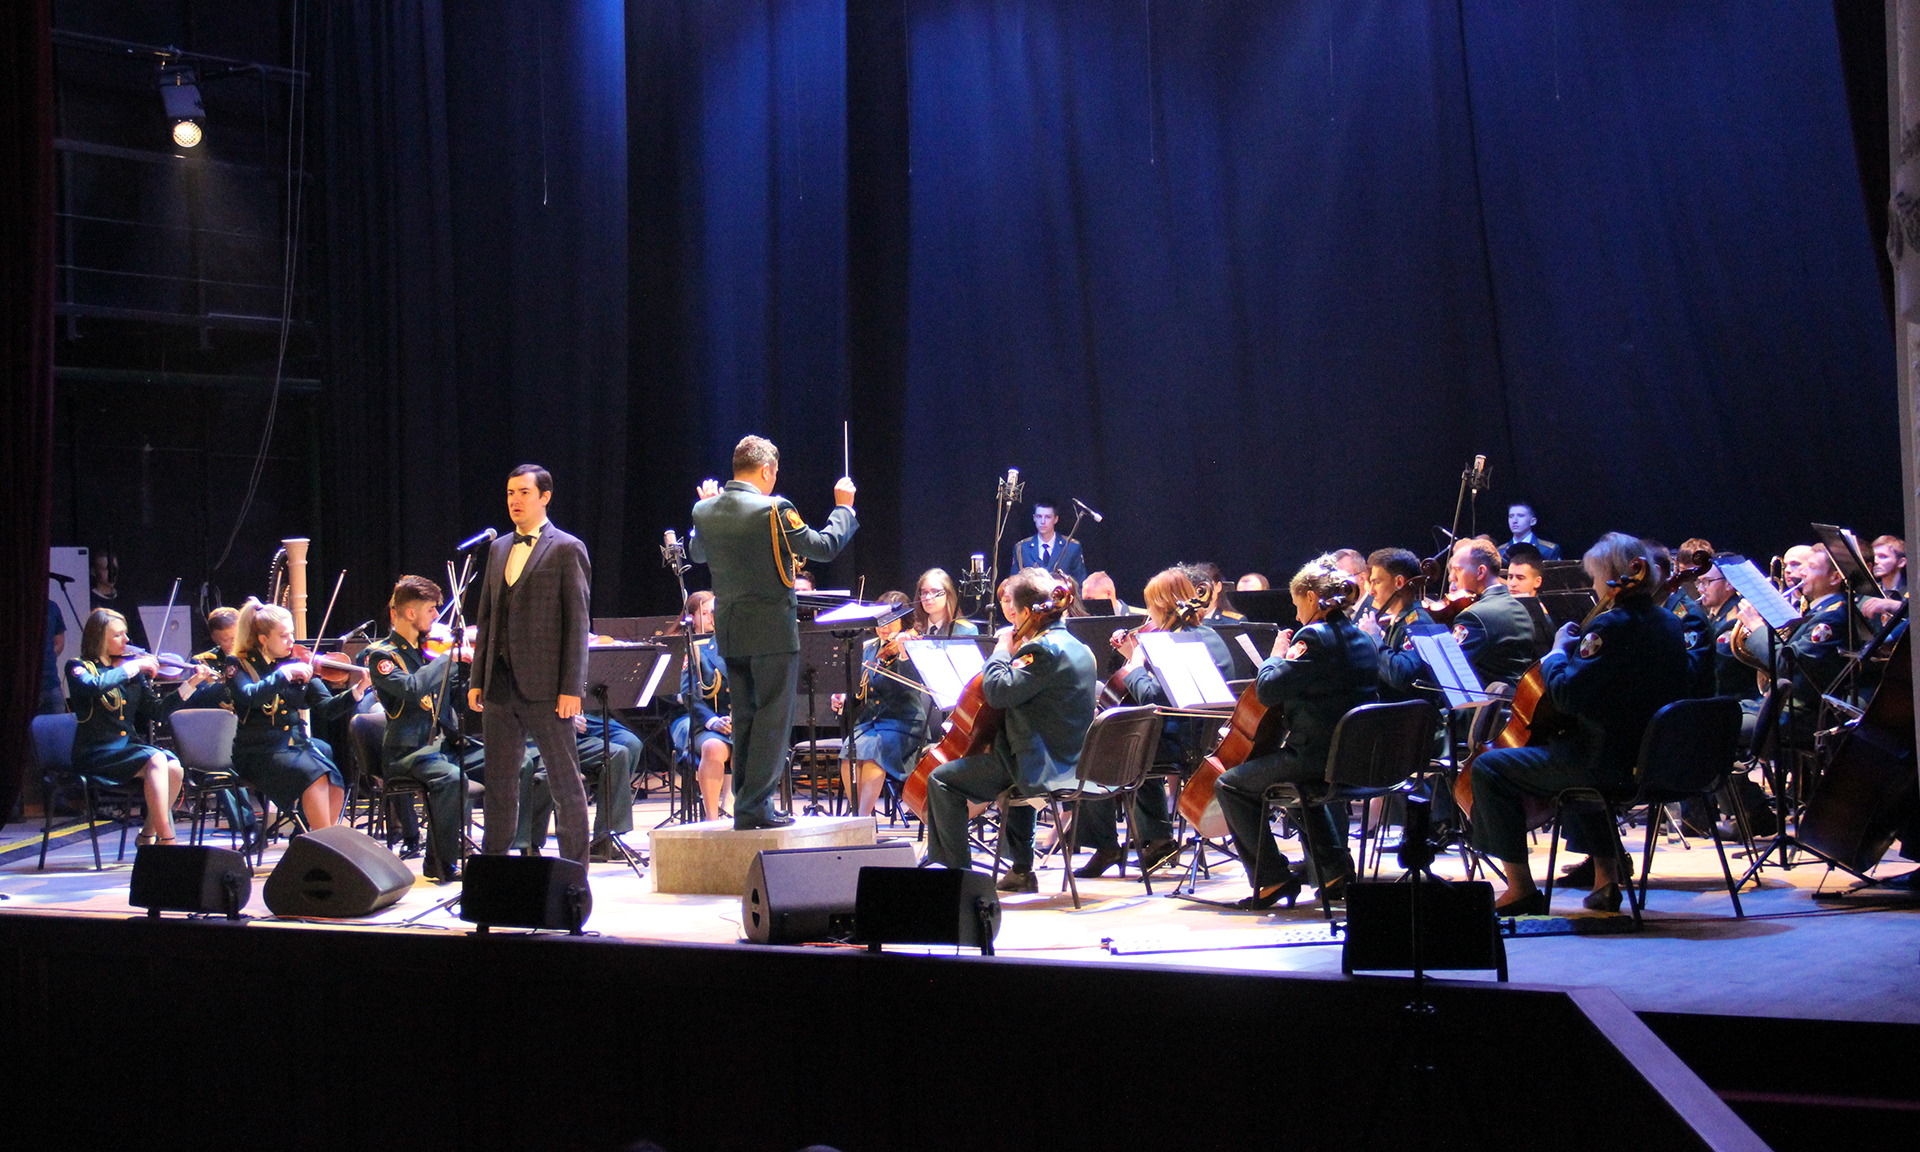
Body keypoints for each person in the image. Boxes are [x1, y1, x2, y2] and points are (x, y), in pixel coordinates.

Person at [1468, 534, 1690, 915]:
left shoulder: (1609, 627)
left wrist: (1557, 653)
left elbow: (1567, 695)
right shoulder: (1669, 623)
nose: (1593, 585)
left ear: (1612, 576)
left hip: (1608, 766)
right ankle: (1605, 880)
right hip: (1656, 761)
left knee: (1489, 767)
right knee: (1576, 747)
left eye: (1595, 576)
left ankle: (1520, 888)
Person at [690, 435, 857, 830]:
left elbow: (697, 554)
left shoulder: (704, 509)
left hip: (731, 631)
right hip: (772, 632)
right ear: (766, 470)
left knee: (745, 717)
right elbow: (824, 546)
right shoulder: (775, 508)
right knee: (772, 719)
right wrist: (844, 509)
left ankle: (748, 805)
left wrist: (707, 510)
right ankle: (755, 806)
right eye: (775, 472)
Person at [1215, 557, 1379, 909]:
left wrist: (1275, 656)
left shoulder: (1313, 637)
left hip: (1317, 758)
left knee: (1230, 784)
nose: (1296, 612)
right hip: (1357, 760)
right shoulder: (1364, 638)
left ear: (1310, 597)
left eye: (1296, 603)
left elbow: (1268, 691)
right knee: (1294, 786)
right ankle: (1333, 872)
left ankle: (1271, 879)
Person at [920, 568, 1096, 892]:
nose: (1012, 617)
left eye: (1014, 609)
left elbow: (998, 692)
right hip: (1075, 763)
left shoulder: (1041, 650)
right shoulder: (1079, 647)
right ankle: (1021, 870)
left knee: (941, 780)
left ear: (1028, 612)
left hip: (1042, 767)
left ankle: (961, 882)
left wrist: (1002, 650)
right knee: (1007, 749)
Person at [467, 464, 595, 863]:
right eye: (510, 493)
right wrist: (477, 678)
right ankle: (492, 873)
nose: (515, 500)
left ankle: (574, 876)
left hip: (546, 687)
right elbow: (487, 617)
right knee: (500, 784)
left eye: (524, 492)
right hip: (499, 684)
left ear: (545, 497)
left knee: (564, 784)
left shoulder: (566, 548)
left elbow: (577, 624)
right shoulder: (498, 548)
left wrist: (572, 688)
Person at [1073, 567, 1232, 878]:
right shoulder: (1211, 637)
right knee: (1133, 740)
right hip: (1206, 740)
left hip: (1179, 742)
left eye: (1150, 606)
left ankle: (1105, 845)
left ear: (1161, 605)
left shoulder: (1172, 641)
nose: (1149, 614)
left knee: (1092, 750)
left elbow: (1153, 697)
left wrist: (1134, 666)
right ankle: (1158, 839)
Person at [65, 608, 215, 846]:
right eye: (118, 635)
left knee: (174, 767)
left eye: (125, 634)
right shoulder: (79, 667)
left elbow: (158, 711)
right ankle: (168, 839)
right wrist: (134, 667)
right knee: (156, 759)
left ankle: (147, 835)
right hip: (96, 754)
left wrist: (191, 683)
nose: (127, 640)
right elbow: (94, 686)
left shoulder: (131, 672)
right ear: (99, 638)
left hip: (127, 749)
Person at [362, 576, 473, 881]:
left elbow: (455, 698)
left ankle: (512, 850)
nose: (437, 616)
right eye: (431, 610)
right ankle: (440, 861)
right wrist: (447, 658)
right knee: (453, 779)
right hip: (408, 752)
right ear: (410, 613)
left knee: (518, 763)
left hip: (443, 746)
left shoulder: (428, 651)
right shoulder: (383, 655)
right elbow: (412, 688)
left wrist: (469, 679)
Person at [226, 599, 369, 832]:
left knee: (334, 781)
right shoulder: (240, 664)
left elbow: (327, 708)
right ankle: (323, 842)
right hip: (258, 750)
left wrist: (358, 690)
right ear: (263, 639)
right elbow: (249, 696)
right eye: (284, 636)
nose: (291, 641)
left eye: (291, 634)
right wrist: (283, 674)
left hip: (293, 744)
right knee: (313, 774)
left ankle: (316, 838)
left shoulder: (297, 662)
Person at [673, 591, 733, 822]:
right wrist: (712, 721)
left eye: (714, 613)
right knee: (713, 748)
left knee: (749, 747)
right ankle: (712, 819)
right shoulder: (691, 646)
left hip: (734, 719)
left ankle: (737, 806)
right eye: (706, 613)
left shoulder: (733, 643)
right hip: (702, 720)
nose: (711, 618)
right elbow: (688, 694)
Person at [1445, 540, 1538, 689]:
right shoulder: (1519, 606)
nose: (1451, 577)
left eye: (1458, 570)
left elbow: (1447, 667)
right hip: (1517, 699)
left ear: (1481, 572)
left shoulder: (1474, 616)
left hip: (1485, 701)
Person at [1362, 548, 1436, 704]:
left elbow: (1401, 675)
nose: (1371, 591)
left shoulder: (1418, 623)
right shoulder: (1398, 620)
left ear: (1399, 583)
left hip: (1407, 715)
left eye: (1377, 582)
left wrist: (1374, 637)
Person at [1013, 502, 1087, 584]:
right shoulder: (1022, 548)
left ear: (1055, 519)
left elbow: (1080, 582)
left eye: (1047, 517)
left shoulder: (1071, 547)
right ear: (1034, 518)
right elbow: (1014, 583)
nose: (1043, 521)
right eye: (1039, 516)